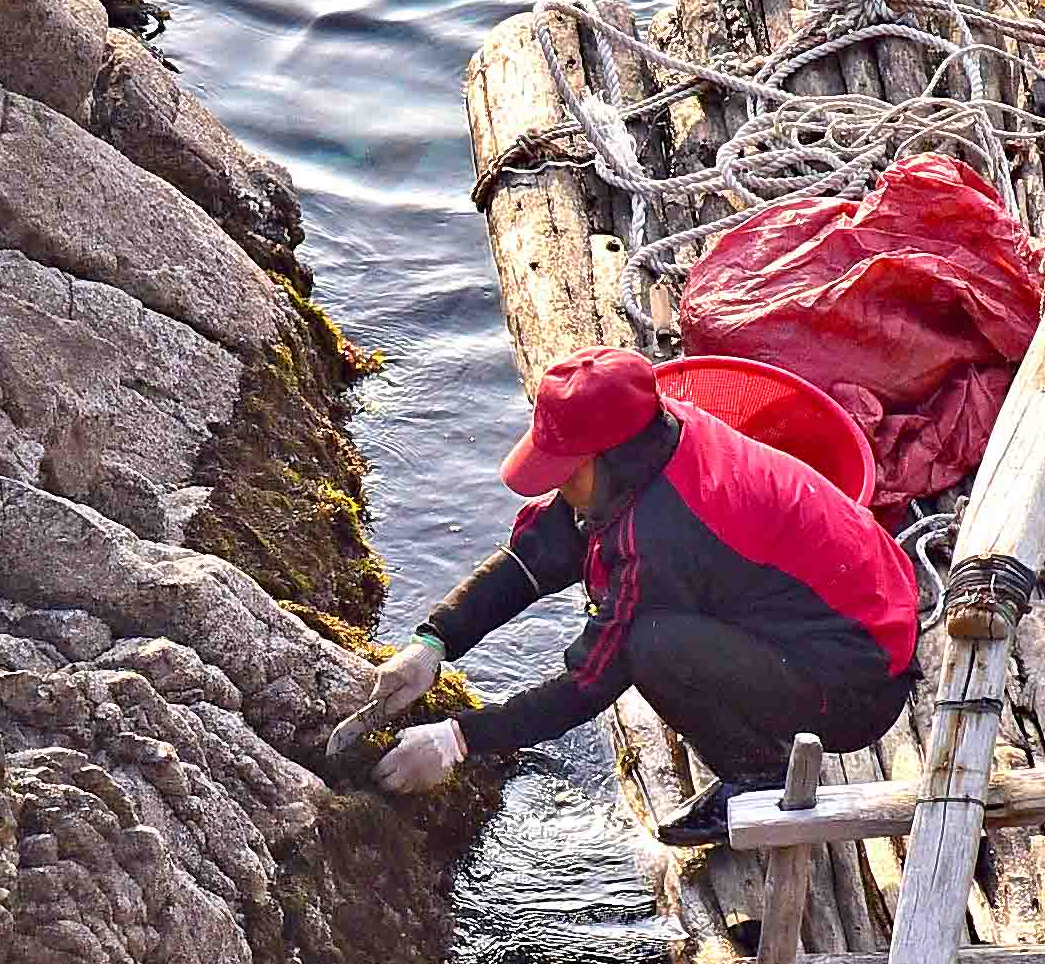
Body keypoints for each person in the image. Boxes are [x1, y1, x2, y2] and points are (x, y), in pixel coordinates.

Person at [363, 349, 914, 840]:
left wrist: (457, 741)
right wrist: (435, 640)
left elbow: (587, 683)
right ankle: (756, 759)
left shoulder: (661, 534)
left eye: (564, 472)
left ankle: (756, 780)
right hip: (851, 612)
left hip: (856, 685)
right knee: (643, 616)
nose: (558, 487)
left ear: (607, 459)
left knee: (650, 644)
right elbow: (539, 553)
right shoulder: (651, 443)